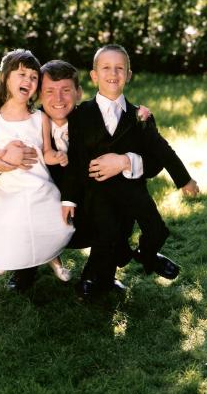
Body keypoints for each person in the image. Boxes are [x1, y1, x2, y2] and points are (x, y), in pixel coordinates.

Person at [61, 44, 199, 300]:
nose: (113, 73)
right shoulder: (80, 116)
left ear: (129, 74)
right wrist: (69, 199)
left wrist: (183, 179)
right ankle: (95, 280)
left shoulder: (141, 116)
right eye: (106, 68)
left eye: (119, 68)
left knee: (157, 230)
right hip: (97, 194)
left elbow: (161, 152)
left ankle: (145, 254)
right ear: (94, 76)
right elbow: (74, 162)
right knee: (109, 234)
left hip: (132, 191)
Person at [0, 49, 75, 282]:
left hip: (38, 184)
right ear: (6, 78)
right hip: (9, 187)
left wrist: (57, 156)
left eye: (34, 77)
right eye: (22, 74)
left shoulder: (40, 118)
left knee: (47, 223)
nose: (28, 80)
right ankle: (5, 258)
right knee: (9, 221)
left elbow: (46, 153)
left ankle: (56, 263)